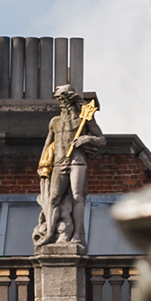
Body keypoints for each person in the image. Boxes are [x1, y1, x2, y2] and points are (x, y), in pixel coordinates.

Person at [32, 84, 105, 249]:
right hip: (59, 162)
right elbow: (47, 144)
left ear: (72, 102)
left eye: (65, 102)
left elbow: (102, 139)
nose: (63, 106)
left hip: (77, 160)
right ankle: (50, 233)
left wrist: (87, 139)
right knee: (53, 199)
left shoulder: (84, 119)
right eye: (61, 103)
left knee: (77, 196)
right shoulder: (55, 122)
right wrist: (43, 165)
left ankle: (78, 235)